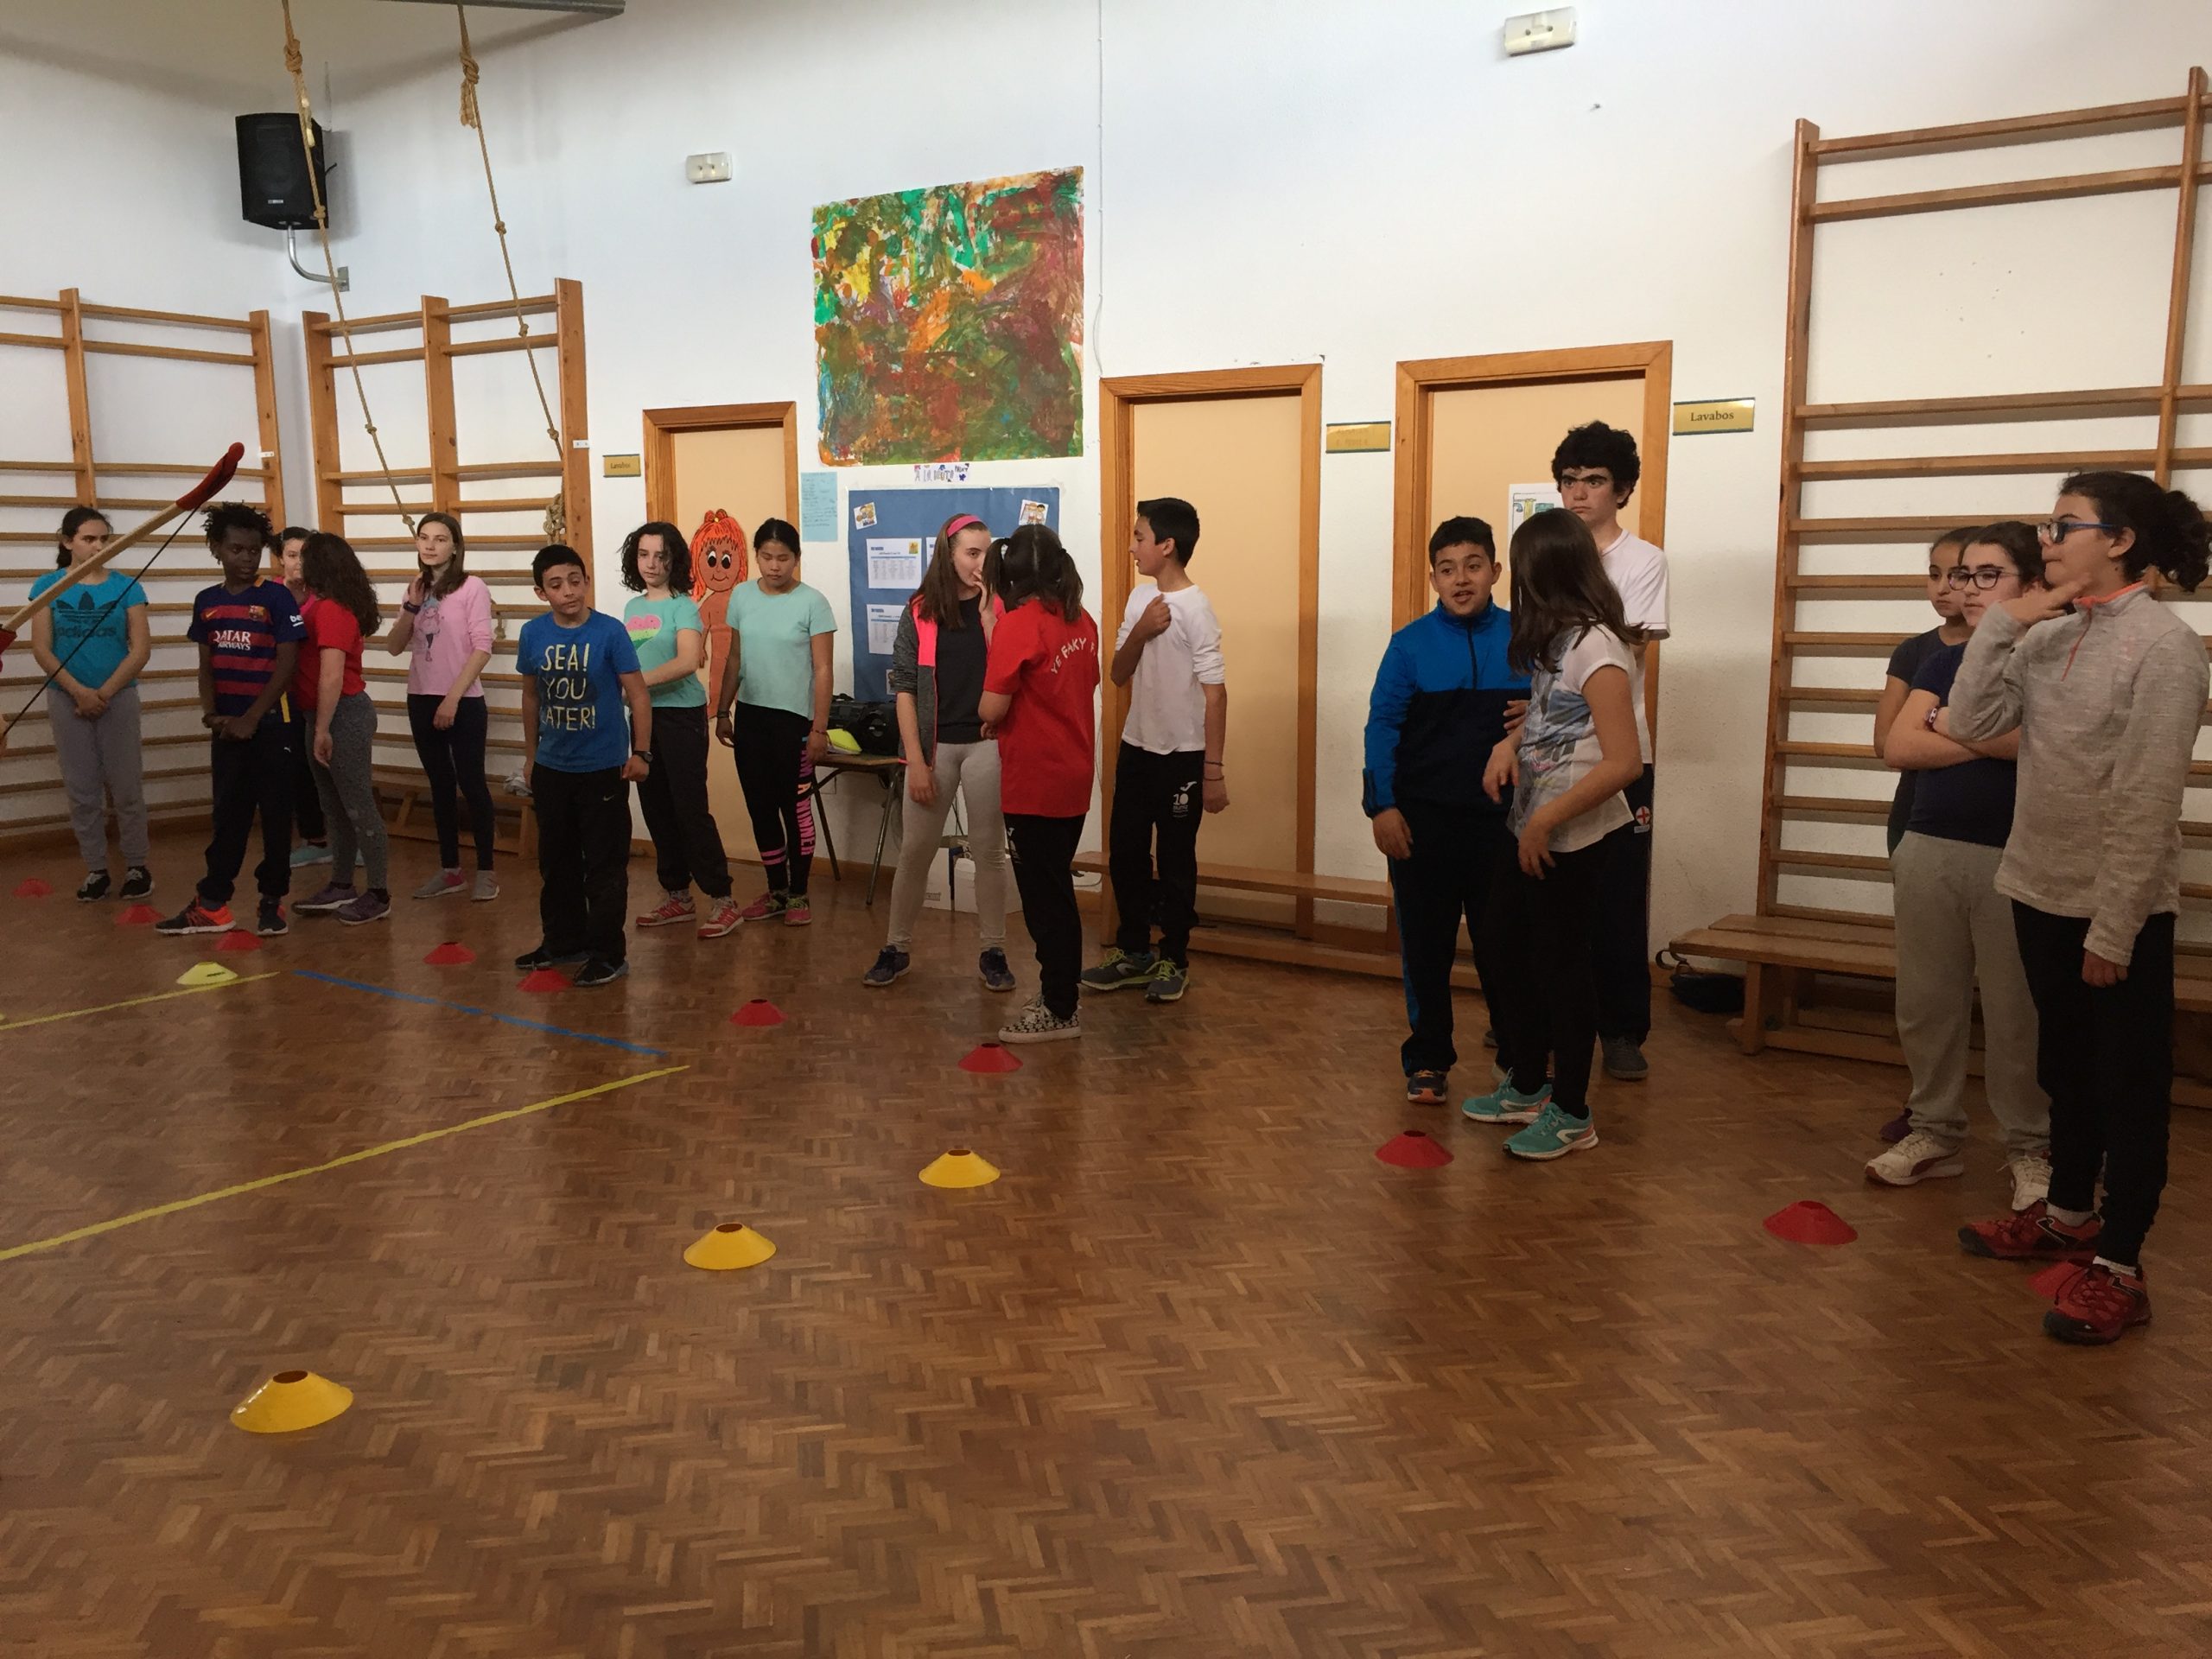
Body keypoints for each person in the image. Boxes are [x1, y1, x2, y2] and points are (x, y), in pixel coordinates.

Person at [1949, 473, 2212, 1345]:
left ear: (2121, 541)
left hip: (2116, 909)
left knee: (2128, 1088)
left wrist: (2115, 927)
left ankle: (2122, 1267)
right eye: (2047, 525)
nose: (2047, 541)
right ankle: (2066, 1216)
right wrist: (2003, 622)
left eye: (2064, 526)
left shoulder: (2166, 648)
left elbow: (2147, 802)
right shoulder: (2049, 635)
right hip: (2038, 889)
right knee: (2064, 1067)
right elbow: (1968, 720)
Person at [1869, 522, 2050, 1209]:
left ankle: (2031, 1147)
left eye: (1987, 575)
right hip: (1930, 845)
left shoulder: (2053, 656)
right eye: (1963, 574)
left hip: (2018, 854)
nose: (1967, 588)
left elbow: (2048, 746)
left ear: (2034, 585)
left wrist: (1952, 726)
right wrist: (1988, 735)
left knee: (2016, 1015)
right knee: (1926, 1003)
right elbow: (1900, 747)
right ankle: (1935, 1131)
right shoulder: (1947, 660)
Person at [1462, 508, 1645, 1160]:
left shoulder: (1599, 647)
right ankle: (1528, 1085)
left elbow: (1624, 761)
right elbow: (1554, 722)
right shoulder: (1557, 639)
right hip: (1534, 825)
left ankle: (1571, 1111)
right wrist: (1506, 745)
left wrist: (1545, 819)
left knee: (1562, 967)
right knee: (1503, 945)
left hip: (1574, 834)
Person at [1363, 517, 1531, 1106]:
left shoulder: (1525, 640)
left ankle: (1518, 1060)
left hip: (1502, 826)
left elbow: (1563, 716)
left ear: (1495, 572)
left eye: (1473, 566)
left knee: (1503, 946)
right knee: (1426, 948)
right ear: (1433, 578)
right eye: (1448, 569)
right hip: (1421, 824)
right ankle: (1429, 1057)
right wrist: (1382, 807)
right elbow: (1381, 727)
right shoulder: (1408, 646)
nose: (1461, 579)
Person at [1553, 422, 1669, 1083]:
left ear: (1621, 490)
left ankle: (1622, 1030)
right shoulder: (1548, 554)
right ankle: (1541, 1015)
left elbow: (1631, 645)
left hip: (1622, 750)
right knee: (1550, 891)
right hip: (1551, 747)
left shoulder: (1642, 560)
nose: (1579, 493)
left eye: (1594, 481)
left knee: (1619, 896)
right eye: (1570, 480)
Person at [1080, 496, 1227, 1006]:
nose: (1132, 547)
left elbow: (1216, 694)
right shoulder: (1139, 599)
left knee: (1176, 860)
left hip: (1184, 756)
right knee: (1126, 854)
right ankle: (1134, 952)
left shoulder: (1197, 608)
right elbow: (1118, 674)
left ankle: (1175, 958)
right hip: (1137, 747)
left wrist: (1213, 770)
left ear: (1167, 545)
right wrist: (1141, 631)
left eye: (1140, 537)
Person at [862, 513, 1017, 992]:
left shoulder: (1003, 605)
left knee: (989, 852)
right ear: (947, 556)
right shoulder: (919, 610)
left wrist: (990, 618)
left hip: (987, 743)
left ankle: (993, 950)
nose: (981, 562)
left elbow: (1010, 670)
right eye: (972, 553)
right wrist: (916, 761)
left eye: (987, 552)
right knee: (915, 852)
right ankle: (896, 947)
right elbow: (905, 689)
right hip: (933, 748)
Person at [1869, 524, 1975, 1141]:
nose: (1944, 587)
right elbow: (1888, 740)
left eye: (1959, 575)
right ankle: (1929, 1105)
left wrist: (1936, 725)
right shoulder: (1916, 652)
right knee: (1929, 983)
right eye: (1934, 574)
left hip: (1995, 832)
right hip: (1917, 819)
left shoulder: (2024, 649)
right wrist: (1987, 740)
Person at [156, 502, 304, 938]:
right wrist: (211, 713)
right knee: (228, 817)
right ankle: (213, 903)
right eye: (237, 549)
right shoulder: (208, 601)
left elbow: (287, 663)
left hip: (273, 725)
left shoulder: (275, 596)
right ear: (217, 549)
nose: (246, 558)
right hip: (229, 729)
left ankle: (272, 901)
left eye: (254, 550)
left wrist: (253, 717)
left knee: (276, 816)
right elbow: (207, 665)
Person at [980, 524, 1101, 1043]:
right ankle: (1060, 994)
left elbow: (990, 707)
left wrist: (992, 630)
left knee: (1044, 900)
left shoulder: (1017, 625)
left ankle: (1059, 1007)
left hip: (1034, 781)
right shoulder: (1081, 619)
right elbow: (1065, 689)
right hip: (1073, 775)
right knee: (1057, 891)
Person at [516, 543, 651, 987]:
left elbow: (638, 695)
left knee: (605, 867)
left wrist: (641, 752)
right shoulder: (533, 634)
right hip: (553, 768)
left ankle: (608, 954)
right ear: (542, 593)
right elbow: (531, 697)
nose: (568, 591)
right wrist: (532, 757)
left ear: (587, 582)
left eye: (575, 581)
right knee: (556, 863)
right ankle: (563, 942)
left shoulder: (610, 632)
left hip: (602, 768)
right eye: (556, 585)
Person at [620, 521, 740, 939]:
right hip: (642, 720)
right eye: (644, 555)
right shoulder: (632, 608)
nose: (652, 564)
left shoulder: (683, 607)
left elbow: (688, 661)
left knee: (690, 811)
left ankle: (723, 899)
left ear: (675, 560)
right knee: (656, 808)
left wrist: (636, 684)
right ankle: (677, 895)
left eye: (661, 555)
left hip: (681, 718)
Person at [714, 517, 835, 926]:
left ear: (796, 559)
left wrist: (819, 729)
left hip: (795, 724)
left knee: (795, 810)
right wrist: (723, 710)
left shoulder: (813, 602)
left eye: (783, 558)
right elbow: (734, 658)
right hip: (751, 719)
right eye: (766, 557)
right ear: (756, 557)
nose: (774, 565)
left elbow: (823, 670)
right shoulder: (742, 596)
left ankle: (799, 893)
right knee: (761, 809)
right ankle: (776, 891)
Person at [29, 506, 153, 902]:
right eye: (88, 539)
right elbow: (42, 648)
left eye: (104, 539)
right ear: (68, 542)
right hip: (67, 699)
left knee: (127, 787)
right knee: (82, 790)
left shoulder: (127, 587)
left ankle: (137, 866)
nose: (98, 546)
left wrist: (104, 693)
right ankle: (96, 869)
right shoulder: (47, 586)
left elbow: (140, 650)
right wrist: (79, 692)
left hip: (118, 697)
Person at [385, 511, 499, 901]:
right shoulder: (415, 588)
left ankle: (486, 870)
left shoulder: (471, 587)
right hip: (420, 696)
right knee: (440, 785)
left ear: (455, 547)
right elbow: (394, 646)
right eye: (424, 537)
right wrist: (412, 608)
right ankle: (450, 870)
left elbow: (482, 647)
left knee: (472, 783)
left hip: (463, 699)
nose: (430, 545)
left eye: (440, 539)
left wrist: (452, 698)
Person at [288, 532, 392, 925]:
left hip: (341, 716)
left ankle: (378, 892)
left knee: (358, 806)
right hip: (321, 716)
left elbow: (331, 676)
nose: (296, 563)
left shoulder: (333, 609)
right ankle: (341, 884)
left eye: (303, 557)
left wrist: (322, 729)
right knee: (334, 808)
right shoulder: (321, 605)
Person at [275, 525, 332, 871]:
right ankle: (313, 838)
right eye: (292, 555)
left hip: (317, 694)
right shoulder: (270, 594)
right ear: (281, 558)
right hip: (281, 696)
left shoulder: (323, 596)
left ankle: (346, 839)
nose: (299, 563)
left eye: (305, 556)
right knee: (294, 769)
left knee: (326, 768)